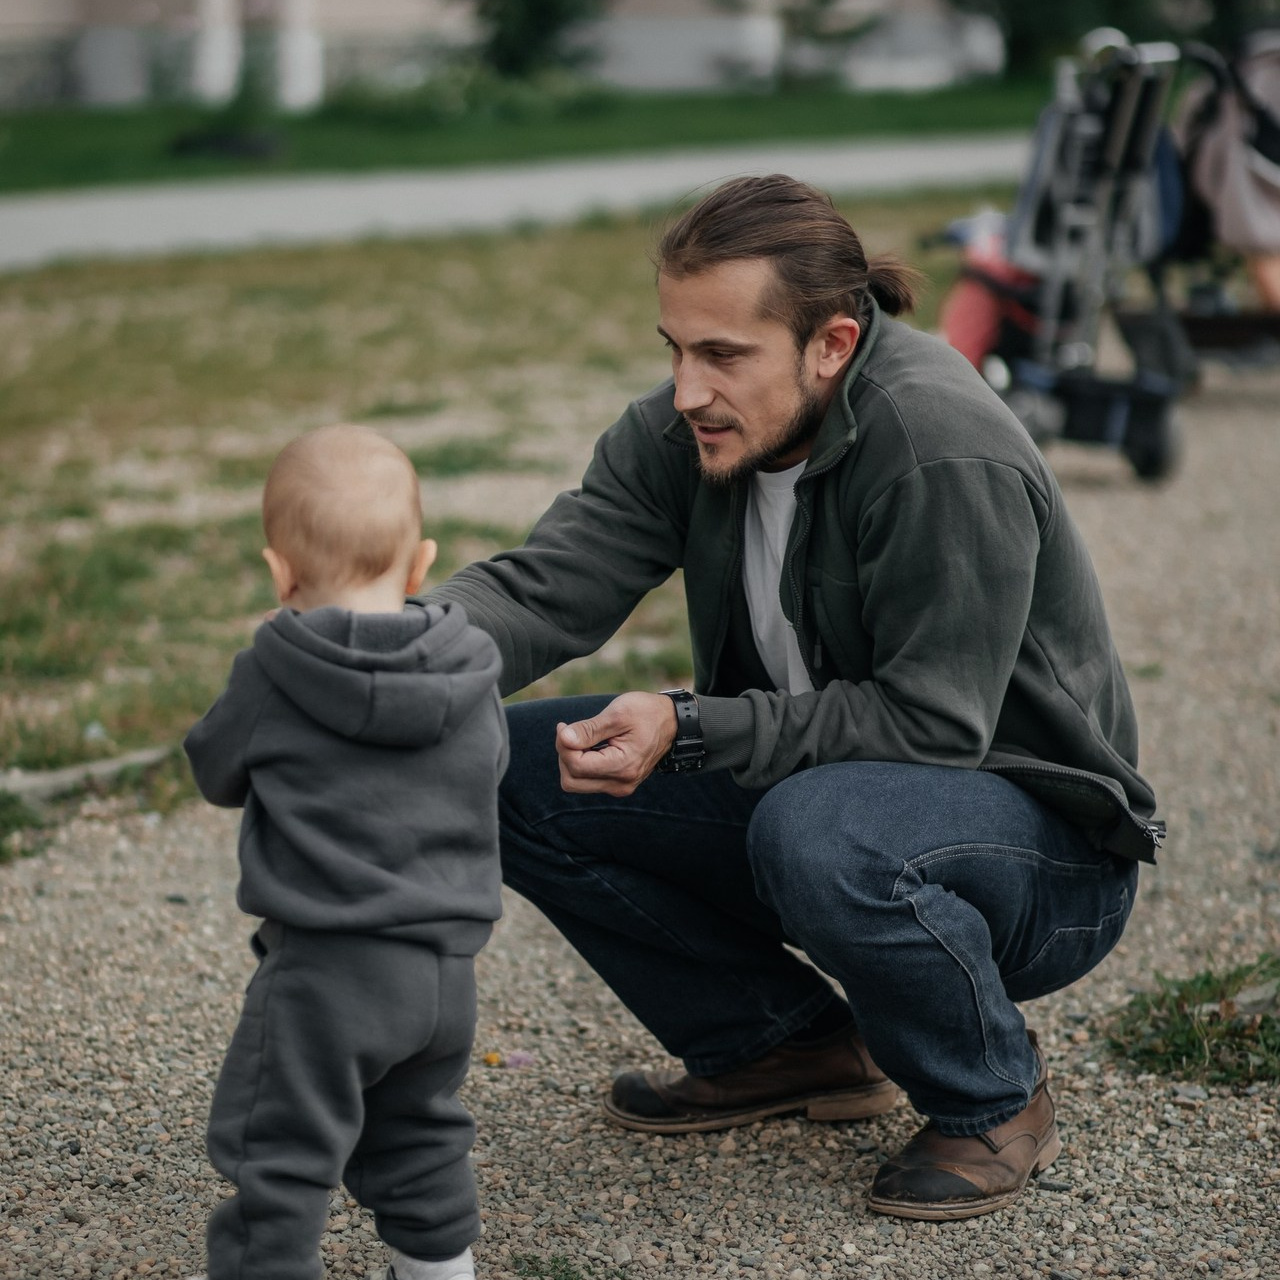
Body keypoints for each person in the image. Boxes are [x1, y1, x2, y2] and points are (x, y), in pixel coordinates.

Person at [429, 173, 1164, 1221]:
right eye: (674, 347)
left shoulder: (937, 445)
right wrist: (386, 656)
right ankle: (786, 1044)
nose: (685, 388)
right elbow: (547, 583)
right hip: (817, 797)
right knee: (499, 768)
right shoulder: (688, 432)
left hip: (1035, 852)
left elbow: (932, 723)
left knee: (817, 829)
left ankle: (990, 1094)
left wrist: (688, 726)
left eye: (722, 353)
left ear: (830, 343)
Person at [184, 423, 507, 1280]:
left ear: (279, 573)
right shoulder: (470, 667)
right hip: (444, 973)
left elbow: (216, 770)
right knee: (418, 1127)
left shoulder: (274, 669)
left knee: (277, 1150)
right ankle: (439, 1271)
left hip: (327, 975)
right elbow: (488, 771)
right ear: (420, 564)